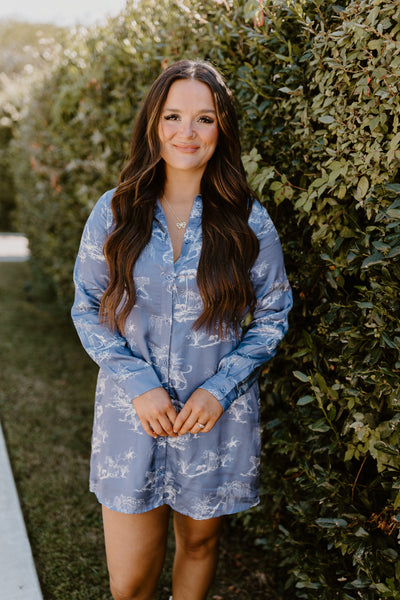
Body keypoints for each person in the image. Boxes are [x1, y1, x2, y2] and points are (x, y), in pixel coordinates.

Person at [71, 59, 292, 600]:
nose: (186, 132)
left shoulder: (247, 220)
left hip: (214, 420)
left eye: (204, 118)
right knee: (130, 586)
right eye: (173, 116)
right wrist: (136, 382)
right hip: (132, 418)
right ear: (153, 124)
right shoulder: (115, 211)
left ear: (223, 129)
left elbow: (272, 315)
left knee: (198, 548)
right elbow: (86, 306)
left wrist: (220, 389)